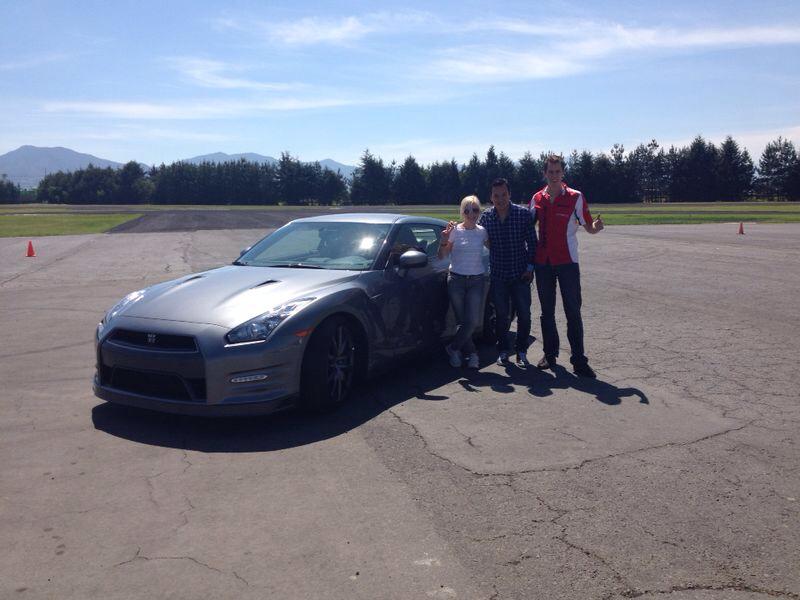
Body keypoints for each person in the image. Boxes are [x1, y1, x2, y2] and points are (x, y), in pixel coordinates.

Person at [529, 155, 604, 378]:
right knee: (546, 313)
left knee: (573, 311)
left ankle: (579, 360)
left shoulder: (575, 197)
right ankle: (549, 355)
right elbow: (527, 227)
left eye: (557, 171)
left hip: (568, 263)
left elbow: (588, 226)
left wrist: (596, 227)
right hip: (543, 263)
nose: (554, 176)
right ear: (545, 173)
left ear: (563, 173)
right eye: (550, 172)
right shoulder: (537, 198)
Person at [478, 178, 537, 366]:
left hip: (520, 274)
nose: (500, 199)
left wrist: (530, 268)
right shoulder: (486, 217)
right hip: (498, 275)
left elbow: (533, 244)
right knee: (501, 316)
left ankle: (521, 351)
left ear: (509, 194)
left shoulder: (522, 214)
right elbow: (474, 236)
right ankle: (503, 350)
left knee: (524, 314)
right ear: (491, 197)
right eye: (496, 196)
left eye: (503, 194)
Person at [438, 195, 488, 369]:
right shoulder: (454, 231)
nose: (471, 214)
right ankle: (472, 354)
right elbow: (442, 255)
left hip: (476, 280)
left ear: (479, 211)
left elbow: (495, 248)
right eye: (467, 210)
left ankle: (453, 348)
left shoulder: (483, 231)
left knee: (472, 321)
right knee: (462, 321)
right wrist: (443, 240)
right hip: (456, 280)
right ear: (462, 212)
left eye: (475, 210)